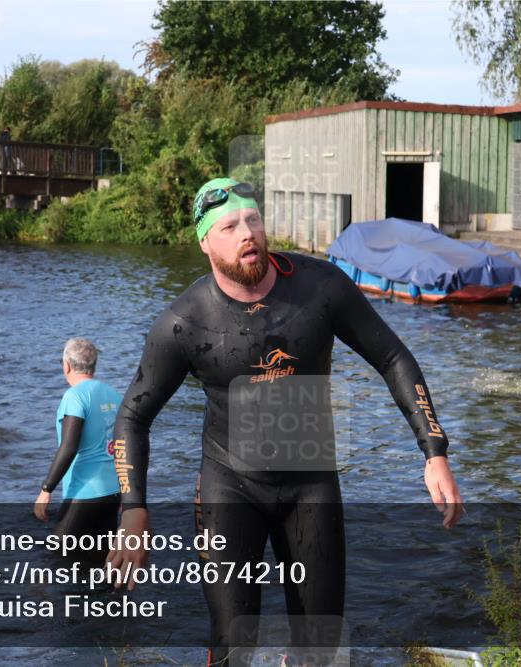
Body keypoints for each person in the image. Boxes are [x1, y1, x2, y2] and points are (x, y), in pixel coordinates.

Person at [106, 177, 463, 666]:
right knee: (233, 646)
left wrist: (434, 450)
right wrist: (133, 510)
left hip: (310, 485)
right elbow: (132, 416)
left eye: (252, 219)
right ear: (205, 241)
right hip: (228, 490)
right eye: (229, 226)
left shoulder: (321, 287)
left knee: (320, 646)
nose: (246, 232)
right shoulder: (183, 323)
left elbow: (393, 357)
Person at [34, 338, 122, 567]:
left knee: (56, 561)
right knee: (101, 563)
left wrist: (46, 489)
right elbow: (126, 445)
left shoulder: (75, 397)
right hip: (114, 491)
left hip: (85, 492)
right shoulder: (113, 394)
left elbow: (69, 446)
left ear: (66, 365)